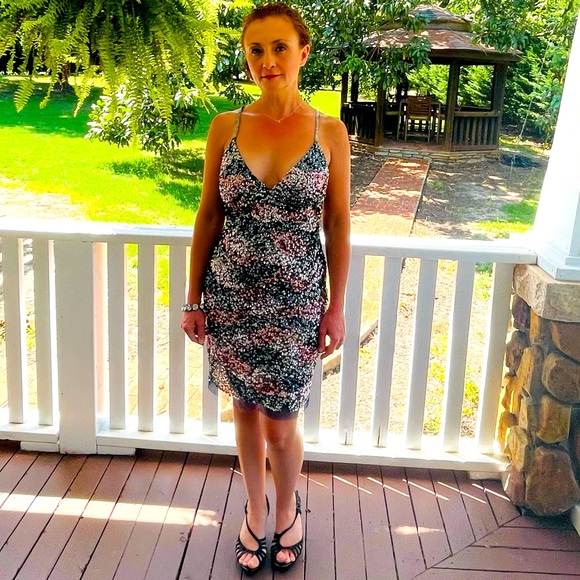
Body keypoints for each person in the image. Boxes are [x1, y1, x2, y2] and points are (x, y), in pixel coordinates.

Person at [181, 2, 351, 573]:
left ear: (303, 53)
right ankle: (256, 510)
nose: (267, 60)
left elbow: (338, 223)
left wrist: (336, 308)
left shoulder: (330, 131)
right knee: (245, 411)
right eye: (256, 49)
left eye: (280, 47)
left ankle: (287, 509)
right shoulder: (225, 126)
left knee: (281, 423)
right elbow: (208, 215)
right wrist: (193, 299)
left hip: (297, 301)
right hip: (231, 297)